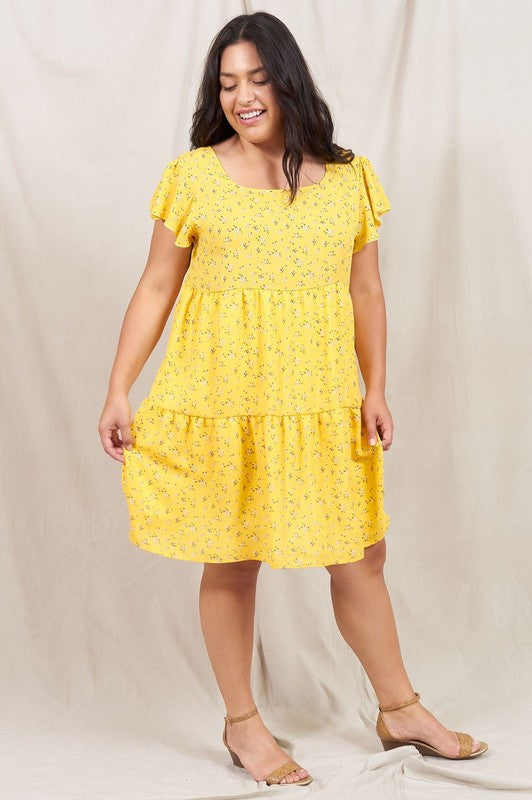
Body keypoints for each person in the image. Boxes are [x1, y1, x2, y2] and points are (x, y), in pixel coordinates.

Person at [98, 10, 488, 788]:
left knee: (360, 556)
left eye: (256, 77)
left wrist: (376, 386)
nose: (243, 95)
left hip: (319, 398)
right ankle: (244, 725)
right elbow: (155, 286)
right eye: (227, 82)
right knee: (232, 558)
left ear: (287, 78)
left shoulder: (348, 178)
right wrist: (117, 386)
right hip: (223, 396)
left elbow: (367, 290)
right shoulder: (194, 176)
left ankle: (400, 708)